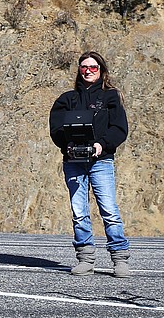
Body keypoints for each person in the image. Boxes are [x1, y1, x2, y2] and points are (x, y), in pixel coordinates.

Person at [48, 51, 131, 277]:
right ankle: (85, 258)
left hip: (100, 161)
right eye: (84, 67)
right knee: (79, 212)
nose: (88, 71)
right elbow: (56, 129)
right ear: (79, 70)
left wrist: (101, 144)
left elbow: (119, 128)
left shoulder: (111, 97)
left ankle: (120, 259)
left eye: (93, 67)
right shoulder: (66, 100)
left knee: (109, 210)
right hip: (73, 161)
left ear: (101, 70)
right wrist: (67, 144)